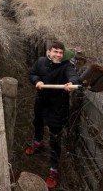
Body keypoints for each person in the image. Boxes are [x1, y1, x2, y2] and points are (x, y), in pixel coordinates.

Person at [25, 41, 80, 189]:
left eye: (61, 53)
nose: (58, 55)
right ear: (49, 52)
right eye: (55, 51)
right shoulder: (41, 62)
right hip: (41, 102)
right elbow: (32, 73)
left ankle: (53, 170)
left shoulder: (67, 66)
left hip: (58, 107)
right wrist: (37, 81)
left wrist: (71, 83)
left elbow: (73, 76)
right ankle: (37, 143)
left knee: (55, 137)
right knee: (37, 123)